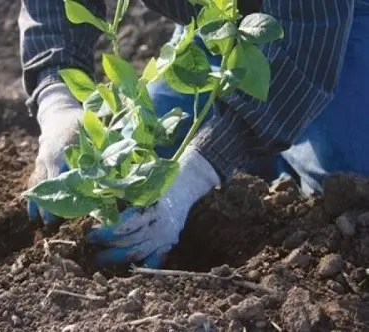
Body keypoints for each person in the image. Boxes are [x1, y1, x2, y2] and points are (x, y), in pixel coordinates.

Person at [18, 0, 369, 268]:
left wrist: (197, 172)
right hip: (217, 22)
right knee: (134, 164)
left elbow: (310, 40)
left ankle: (277, 140)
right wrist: (57, 101)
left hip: (337, 22)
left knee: (347, 176)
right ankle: (260, 131)